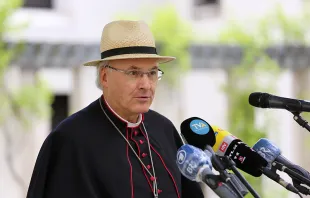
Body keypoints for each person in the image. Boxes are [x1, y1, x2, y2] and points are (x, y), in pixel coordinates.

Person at [26, 20, 204, 198]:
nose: (146, 85)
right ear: (105, 77)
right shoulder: (70, 140)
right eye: (133, 73)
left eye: (152, 73)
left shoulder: (164, 129)